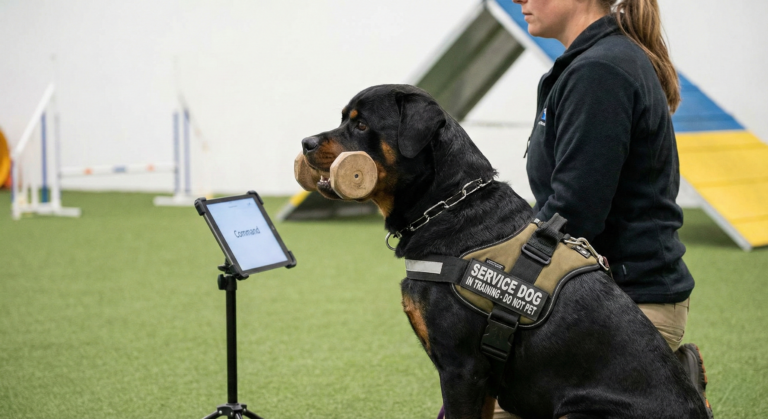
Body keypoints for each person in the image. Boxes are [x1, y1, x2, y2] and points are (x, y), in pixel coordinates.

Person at [496, 0, 713, 417]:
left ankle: (666, 396)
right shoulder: (591, 62)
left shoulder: (600, 71)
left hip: (628, 307)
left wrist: (501, 272)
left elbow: (574, 214)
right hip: (596, 299)